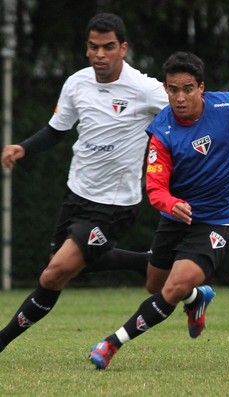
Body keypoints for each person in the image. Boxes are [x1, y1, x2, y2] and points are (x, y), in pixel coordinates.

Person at [88, 51, 229, 370]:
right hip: (178, 215)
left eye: (187, 88)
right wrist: (171, 203)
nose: (180, 97)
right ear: (165, 89)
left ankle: (111, 344)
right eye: (173, 90)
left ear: (201, 88)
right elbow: (155, 187)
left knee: (172, 288)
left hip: (219, 219)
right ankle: (196, 298)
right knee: (155, 285)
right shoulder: (162, 131)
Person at [0, 13, 169, 353]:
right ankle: (157, 267)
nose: (100, 55)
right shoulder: (77, 83)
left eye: (108, 47)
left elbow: (186, 113)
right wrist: (23, 148)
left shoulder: (146, 90)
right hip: (76, 194)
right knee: (75, 263)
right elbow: (57, 130)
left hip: (114, 205)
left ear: (123, 48)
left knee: (54, 274)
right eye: (93, 47)